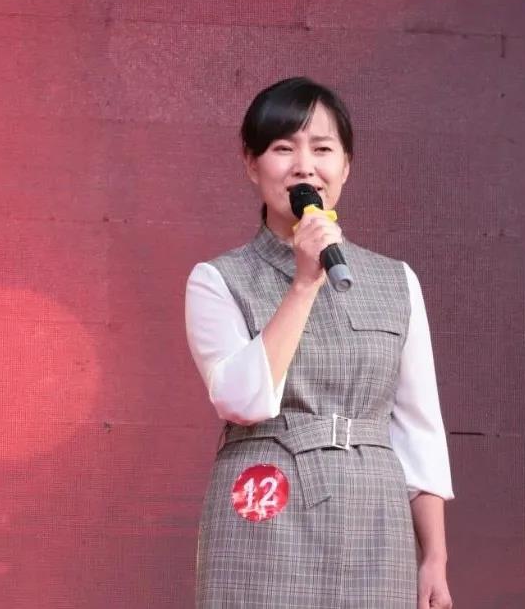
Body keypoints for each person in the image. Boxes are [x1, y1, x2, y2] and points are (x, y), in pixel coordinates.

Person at [185, 77, 454, 608]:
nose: (305, 167)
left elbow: (418, 427)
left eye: (323, 149)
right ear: (252, 164)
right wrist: (303, 283)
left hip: (375, 518)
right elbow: (243, 401)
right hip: (269, 508)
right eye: (284, 148)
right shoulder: (217, 279)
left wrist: (435, 558)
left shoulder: (396, 280)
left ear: (346, 166)